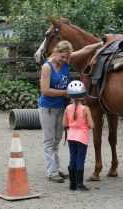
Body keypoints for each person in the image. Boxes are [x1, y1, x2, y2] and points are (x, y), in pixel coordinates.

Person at [39, 40, 102, 183]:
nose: (66, 60)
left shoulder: (66, 60)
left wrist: (100, 43)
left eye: (67, 57)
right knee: (49, 140)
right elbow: (45, 90)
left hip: (62, 107)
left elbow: (85, 48)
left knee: (57, 139)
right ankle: (52, 172)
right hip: (48, 107)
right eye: (63, 57)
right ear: (55, 53)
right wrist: (65, 93)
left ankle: (56, 168)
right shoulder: (47, 67)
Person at [62, 80, 95, 191]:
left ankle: (72, 184)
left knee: (73, 158)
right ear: (83, 95)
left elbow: (64, 124)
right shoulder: (85, 109)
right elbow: (92, 125)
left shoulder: (67, 108)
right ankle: (80, 184)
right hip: (82, 138)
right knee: (80, 159)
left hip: (71, 137)